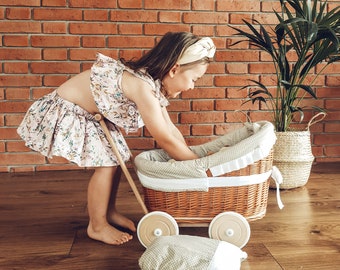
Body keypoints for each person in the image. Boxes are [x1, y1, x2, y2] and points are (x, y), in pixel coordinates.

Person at [17, 32, 216, 245]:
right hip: (70, 110)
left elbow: (171, 130)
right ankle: (97, 225)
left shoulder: (151, 85)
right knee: (106, 164)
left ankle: (108, 212)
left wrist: (192, 156)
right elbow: (164, 138)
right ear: (175, 69)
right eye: (194, 79)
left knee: (118, 158)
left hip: (91, 114)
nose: (193, 86)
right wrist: (196, 166)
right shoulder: (142, 87)